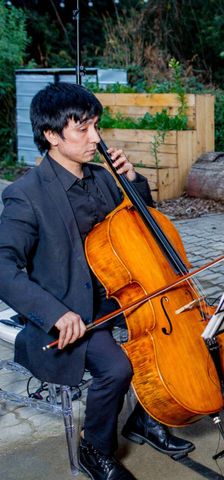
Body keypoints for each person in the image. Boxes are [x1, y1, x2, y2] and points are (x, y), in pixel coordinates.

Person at [0, 82, 194, 480]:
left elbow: (142, 226)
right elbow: (2, 266)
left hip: (120, 292)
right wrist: (55, 314)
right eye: (83, 129)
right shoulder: (26, 195)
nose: (96, 138)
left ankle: (145, 418)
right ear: (52, 136)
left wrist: (134, 179)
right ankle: (95, 449)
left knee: (171, 337)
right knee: (117, 368)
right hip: (73, 306)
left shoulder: (103, 178)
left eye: (96, 126)